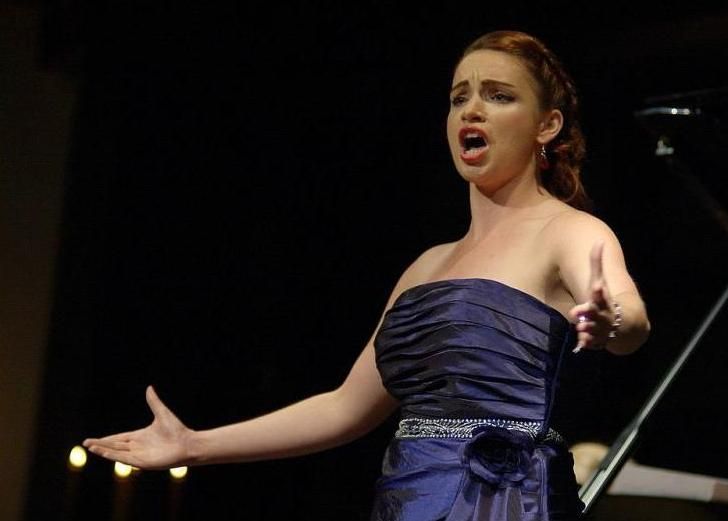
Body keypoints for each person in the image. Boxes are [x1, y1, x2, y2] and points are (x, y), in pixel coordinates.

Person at [83, 30, 650, 520]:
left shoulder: (569, 231)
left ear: (547, 125)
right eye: (459, 98)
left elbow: (632, 321)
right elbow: (344, 408)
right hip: (408, 501)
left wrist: (610, 323)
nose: (471, 111)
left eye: (498, 96)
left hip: (506, 502)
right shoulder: (426, 266)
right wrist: (194, 445)